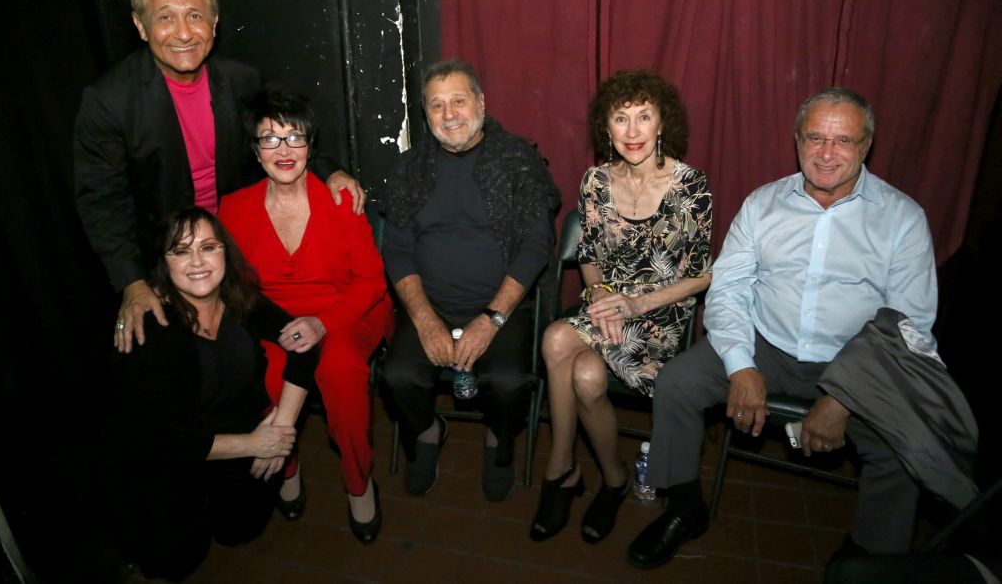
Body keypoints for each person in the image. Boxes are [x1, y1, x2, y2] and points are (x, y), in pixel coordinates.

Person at [627, 88, 938, 569]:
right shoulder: (763, 204)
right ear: (796, 141)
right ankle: (684, 507)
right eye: (815, 138)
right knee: (678, 382)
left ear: (867, 144)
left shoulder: (902, 219)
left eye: (843, 140)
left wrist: (842, 398)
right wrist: (742, 367)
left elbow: (909, 325)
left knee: (906, 444)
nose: (827, 153)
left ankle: (871, 556)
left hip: (857, 361)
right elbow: (728, 290)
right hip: (766, 343)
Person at [74, 0, 363, 355]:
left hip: (238, 255)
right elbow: (102, 203)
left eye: (195, 15)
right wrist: (134, 284)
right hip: (163, 266)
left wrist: (332, 172)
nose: (183, 32)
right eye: (164, 17)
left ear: (214, 21)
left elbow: (282, 141)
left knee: (274, 355)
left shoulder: (242, 81)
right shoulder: (109, 101)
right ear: (140, 26)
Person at [530, 69, 712, 543]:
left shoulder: (690, 186)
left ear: (661, 124)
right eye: (620, 118)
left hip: (661, 315)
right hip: (607, 308)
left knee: (556, 339)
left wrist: (635, 304)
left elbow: (702, 276)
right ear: (605, 128)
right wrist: (600, 298)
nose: (632, 131)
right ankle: (606, 477)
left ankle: (563, 473)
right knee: (585, 374)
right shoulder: (595, 181)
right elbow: (589, 257)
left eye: (643, 117)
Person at [379, 59, 560, 502]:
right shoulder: (409, 169)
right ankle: (426, 432)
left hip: (502, 307)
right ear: (426, 115)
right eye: (437, 106)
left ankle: (500, 441)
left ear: (480, 102)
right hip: (430, 305)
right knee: (397, 375)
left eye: (458, 100)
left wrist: (490, 320)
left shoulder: (518, 159)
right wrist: (423, 320)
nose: (449, 114)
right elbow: (398, 250)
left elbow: (537, 247)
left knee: (509, 381)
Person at [219, 84, 393, 542]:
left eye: (294, 137)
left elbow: (372, 282)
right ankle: (285, 466)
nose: (283, 149)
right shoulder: (233, 210)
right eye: (269, 138)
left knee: (341, 370)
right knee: (268, 377)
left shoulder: (341, 201)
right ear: (255, 151)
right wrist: (281, 328)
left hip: (345, 311)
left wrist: (322, 323)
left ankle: (358, 483)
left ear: (310, 147)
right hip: (273, 320)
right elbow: (236, 290)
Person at [108, 207, 318, 581]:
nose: (197, 262)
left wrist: (281, 432)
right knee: (174, 562)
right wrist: (255, 444)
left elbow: (305, 342)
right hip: (172, 460)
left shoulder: (239, 300)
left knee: (242, 531)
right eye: (180, 251)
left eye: (208, 247)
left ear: (225, 252)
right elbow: (162, 440)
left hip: (240, 439)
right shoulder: (152, 330)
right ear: (162, 264)